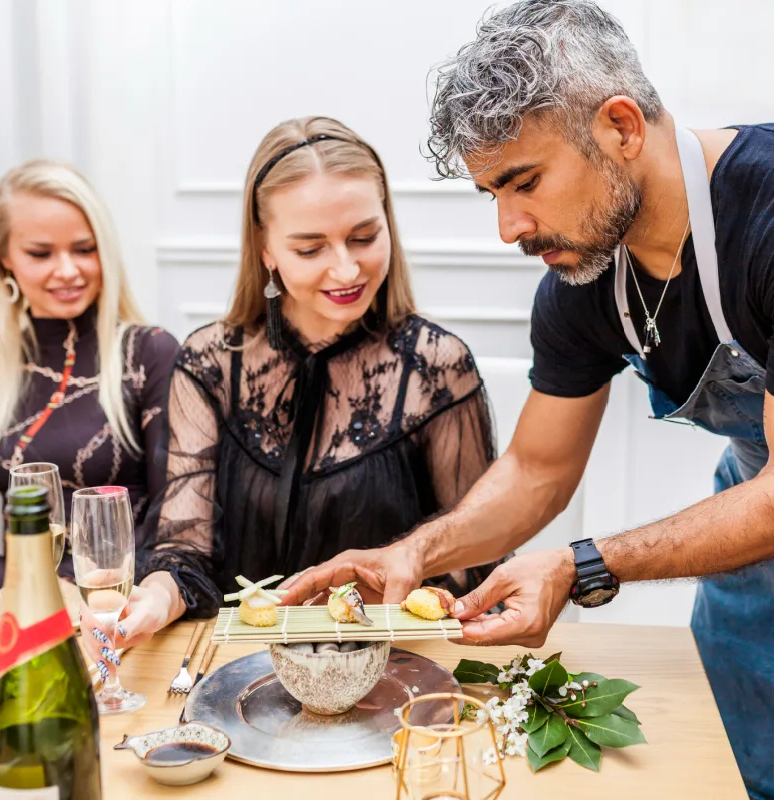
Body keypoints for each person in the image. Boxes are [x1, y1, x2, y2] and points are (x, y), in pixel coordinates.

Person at [282, 4, 774, 798]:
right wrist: (415, 554)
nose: (510, 226)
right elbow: (539, 468)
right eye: (492, 195)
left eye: (525, 183)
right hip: (752, 559)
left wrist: (584, 564)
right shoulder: (583, 276)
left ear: (620, 127)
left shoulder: (769, 218)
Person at [108, 115, 503, 648]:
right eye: (310, 249)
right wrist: (154, 598)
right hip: (238, 673)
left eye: (364, 236)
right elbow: (186, 553)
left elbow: (478, 558)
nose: (345, 270)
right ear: (266, 249)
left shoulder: (436, 368)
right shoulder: (209, 364)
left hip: (391, 673)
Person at [0, 159, 179, 591]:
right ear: (3, 259)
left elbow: (175, 515)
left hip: (132, 608)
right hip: (24, 618)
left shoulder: (149, 354)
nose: (68, 270)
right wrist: (42, 596)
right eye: (41, 253)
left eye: (85, 249)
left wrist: (91, 592)